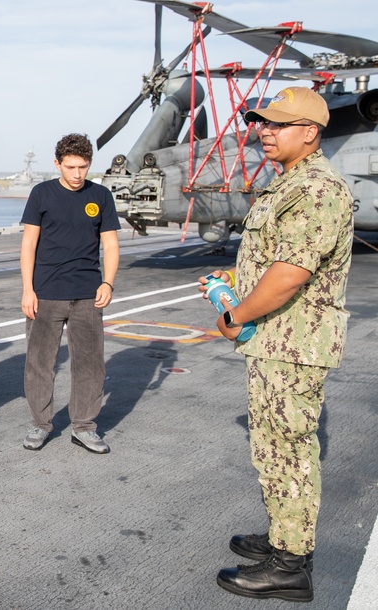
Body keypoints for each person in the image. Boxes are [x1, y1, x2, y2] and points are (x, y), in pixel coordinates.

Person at [202, 87, 352, 602]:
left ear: (310, 132)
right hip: (276, 341)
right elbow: (274, 260)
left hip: (293, 344)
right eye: (261, 123)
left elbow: (291, 273)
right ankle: (282, 536)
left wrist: (234, 313)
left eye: (277, 124)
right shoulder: (289, 183)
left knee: (288, 449)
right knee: (272, 449)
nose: (263, 130)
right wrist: (238, 281)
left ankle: (291, 565)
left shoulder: (315, 188)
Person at [19, 133, 120, 454]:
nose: (77, 174)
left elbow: (111, 244)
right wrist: (27, 289)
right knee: (39, 363)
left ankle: (85, 426)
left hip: (88, 295)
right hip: (45, 293)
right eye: (71, 167)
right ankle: (40, 424)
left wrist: (108, 282)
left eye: (83, 167)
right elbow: (28, 244)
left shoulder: (101, 196)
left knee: (90, 364)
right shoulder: (41, 194)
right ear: (57, 164)